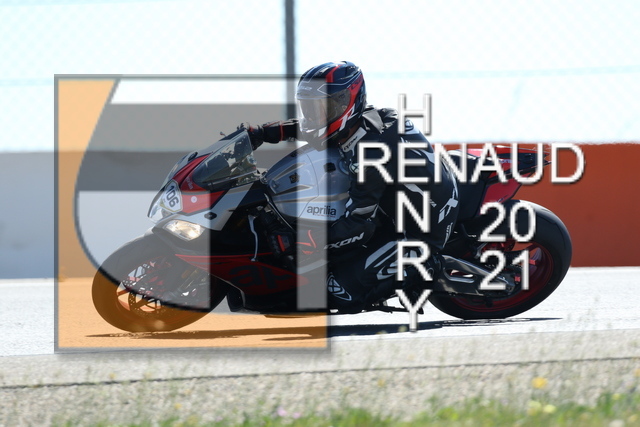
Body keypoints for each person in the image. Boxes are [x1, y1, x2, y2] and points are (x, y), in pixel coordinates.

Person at [240, 61, 459, 313]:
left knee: (339, 292)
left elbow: (359, 225)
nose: (315, 116)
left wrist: (307, 241)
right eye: (310, 108)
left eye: (324, 107)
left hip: (422, 227)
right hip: (394, 208)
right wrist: (259, 133)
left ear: (348, 100)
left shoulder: (371, 152)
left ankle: (425, 267)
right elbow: (302, 128)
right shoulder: (357, 124)